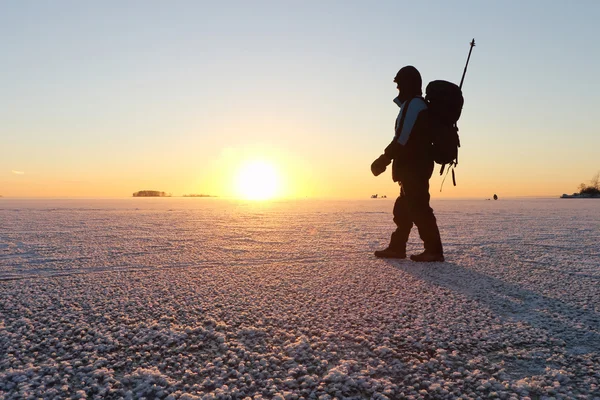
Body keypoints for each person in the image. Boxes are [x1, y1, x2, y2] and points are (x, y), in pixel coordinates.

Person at [371, 66, 444, 262]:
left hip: (415, 166)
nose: (398, 89)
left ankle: (434, 250)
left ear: (408, 85)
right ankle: (397, 247)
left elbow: (402, 137)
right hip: (412, 166)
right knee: (404, 209)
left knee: (419, 207)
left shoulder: (414, 105)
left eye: (399, 85)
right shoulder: (414, 104)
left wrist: (383, 159)